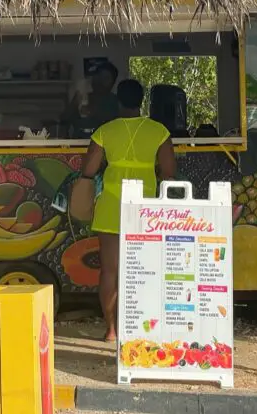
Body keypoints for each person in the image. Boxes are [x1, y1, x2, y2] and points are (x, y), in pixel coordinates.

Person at [78, 79, 177, 342]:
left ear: (118, 101)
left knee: (110, 270)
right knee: (145, 270)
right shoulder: (158, 131)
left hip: (112, 205)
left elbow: (88, 170)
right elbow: (169, 172)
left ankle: (112, 329)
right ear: (141, 101)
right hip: (146, 209)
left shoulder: (105, 131)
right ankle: (142, 328)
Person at [62, 61, 120, 139]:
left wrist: (94, 112)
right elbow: (63, 121)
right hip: (78, 146)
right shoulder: (82, 98)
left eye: (106, 78)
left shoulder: (116, 102)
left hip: (104, 147)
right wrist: (73, 104)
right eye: (98, 77)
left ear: (113, 82)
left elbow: (117, 124)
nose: (100, 81)